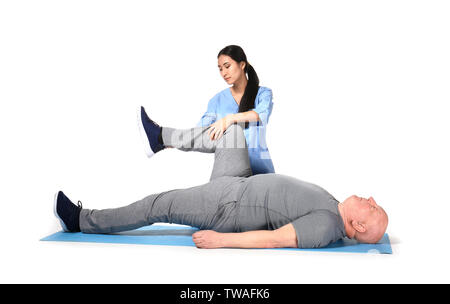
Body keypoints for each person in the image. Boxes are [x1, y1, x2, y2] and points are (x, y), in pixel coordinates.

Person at [53, 107, 388, 249]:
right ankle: (160, 137)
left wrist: (221, 240)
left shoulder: (328, 226)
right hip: (238, 182)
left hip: (226, 207)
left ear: (358, 227)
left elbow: (274, 240)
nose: (370, 200)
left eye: (373, 209)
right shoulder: (334, 207)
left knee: (158, 204)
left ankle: (80, 220)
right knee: (231, 135)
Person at [196, 45, 275, 175]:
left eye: (227, 66)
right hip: (230, 170)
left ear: (242, 64)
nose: (223, 73)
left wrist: (229, 119)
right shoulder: (216, 101)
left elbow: (259, 115)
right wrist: (168, 140)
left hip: (261, 170)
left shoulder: (263, 94)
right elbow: (200, 132)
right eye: (220, 69)